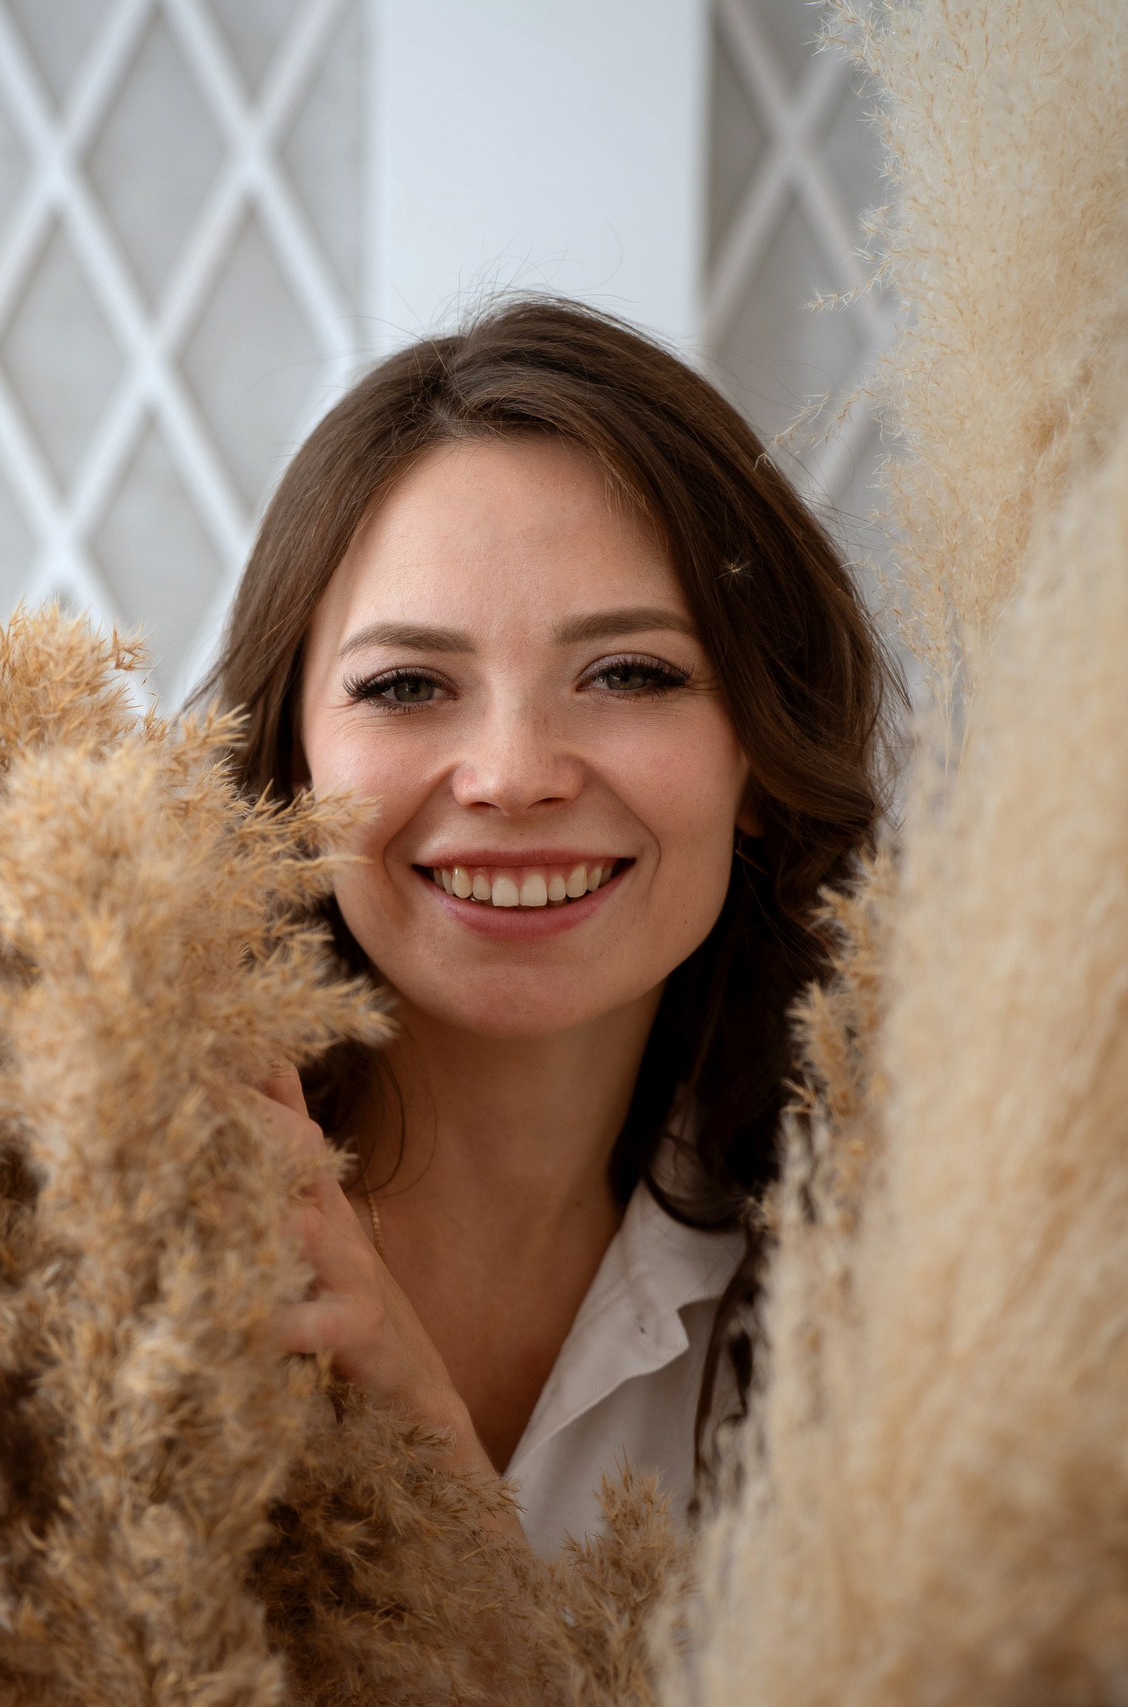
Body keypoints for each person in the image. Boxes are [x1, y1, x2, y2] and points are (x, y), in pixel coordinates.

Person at [220, 298, 894, 1554]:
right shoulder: (108, 1233)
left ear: (760, 756)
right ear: (289, 763)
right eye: (407, 685)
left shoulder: (890, 1290)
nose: (513, 773)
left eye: (630, 673)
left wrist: (426, 1444)